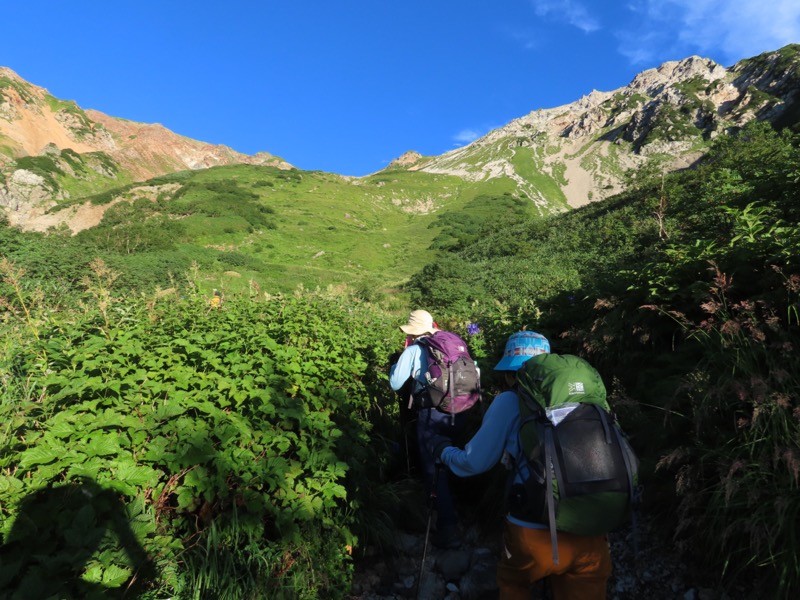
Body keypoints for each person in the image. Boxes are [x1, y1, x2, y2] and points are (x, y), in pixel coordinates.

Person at [430, 331, 613, 600]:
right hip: (591, 527)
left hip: (532, 531)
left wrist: (444, 453)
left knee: (514, 584)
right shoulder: (586, 399)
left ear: (510, 374)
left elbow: (474, 462)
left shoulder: (509, 400)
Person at [389, 309, 465, 549]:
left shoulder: (414, 350)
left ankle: (447, 526)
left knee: (433, 469)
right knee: (452, 459)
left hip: (431, 413)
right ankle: (459, 508)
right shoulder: (452, 344)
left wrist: (397, 363)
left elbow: (395, 383)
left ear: (413, 332)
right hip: (460, 410)